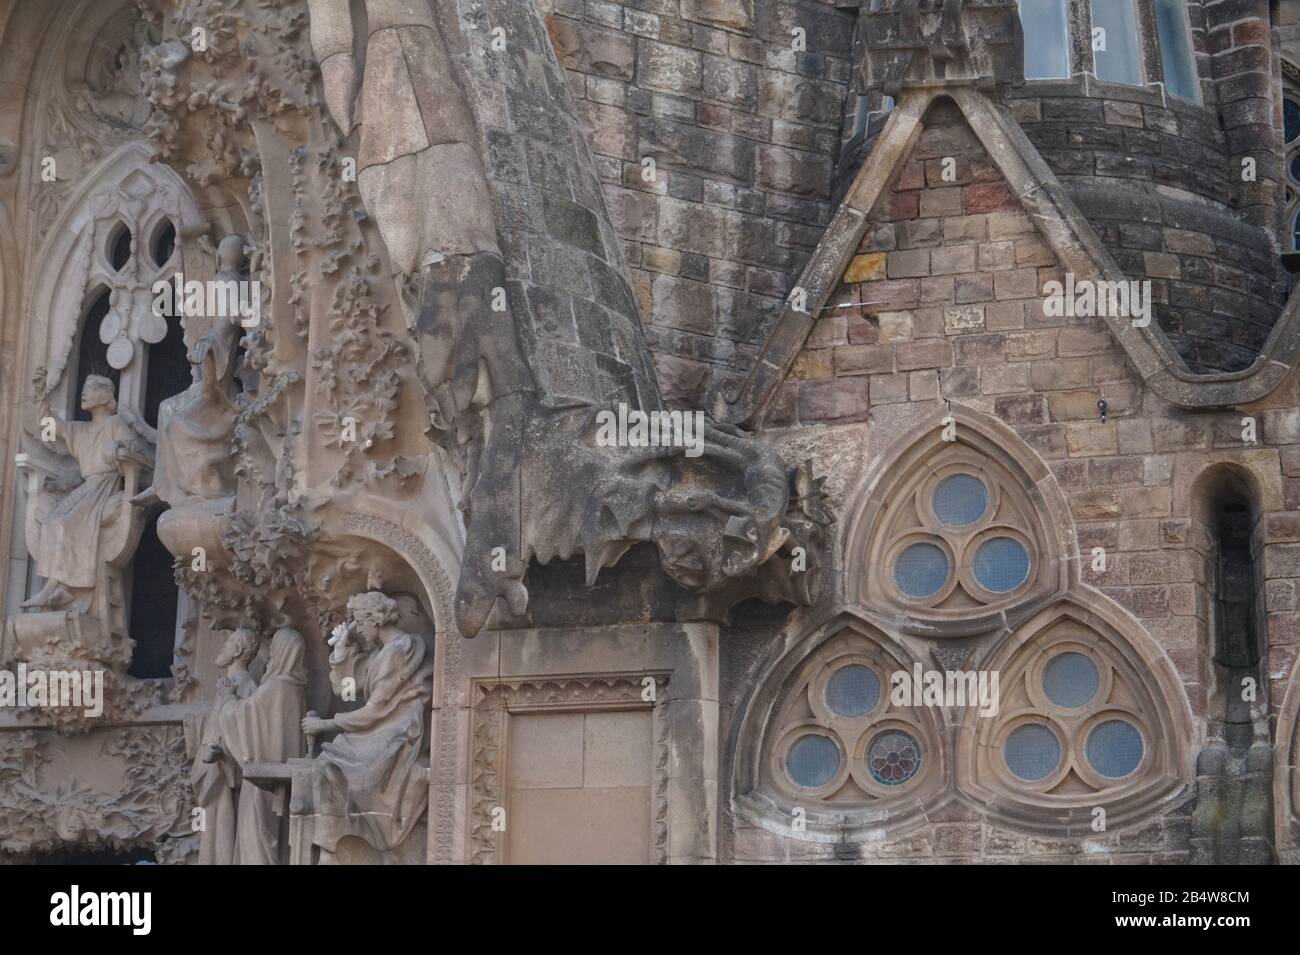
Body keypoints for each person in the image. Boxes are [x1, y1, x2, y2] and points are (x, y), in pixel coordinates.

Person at [302, 591, 433, 858]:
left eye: (361, 622)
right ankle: (334, 845)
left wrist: (324, 725)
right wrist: (342, 646)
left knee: (332, 764)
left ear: (377, 619)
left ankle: (345, 844)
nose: (358, 629)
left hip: (398, 730)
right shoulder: (380, 654)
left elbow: (374, 711)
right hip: (381, 728)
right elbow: (345, 690)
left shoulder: (400, 650)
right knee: (326, 765)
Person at [22, 375, 153, 611]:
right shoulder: (79, 430)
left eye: (90, 388)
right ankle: (60, 587)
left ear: (104, 396)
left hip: (105, 486)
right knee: (52, 521)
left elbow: (138, 450)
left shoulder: (116, 424)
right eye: (84, 387)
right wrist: (41, 395)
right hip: (86, 488)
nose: (84, 393)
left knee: (65, 522)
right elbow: (48, 425)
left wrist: (119, 446)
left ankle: (54, 588)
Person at [216, 627, 307, 864]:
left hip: (261, 783)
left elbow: (243, 719)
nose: (270, 656)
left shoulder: (276, 687)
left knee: (256, 841)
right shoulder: (296, 690)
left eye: (274, 649)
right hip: (280, 784)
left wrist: (227, 697)